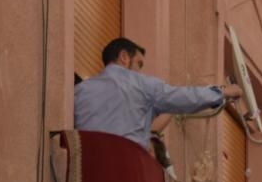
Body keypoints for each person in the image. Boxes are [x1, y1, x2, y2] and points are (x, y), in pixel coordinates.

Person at [74, 37, 243, 149]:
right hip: (126, 171)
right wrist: (222, 92)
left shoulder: (79, 91)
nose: (140, 72)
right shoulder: (140, 85)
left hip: (87, 178)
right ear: (124, 57)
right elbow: (183, 97)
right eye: (139, 64)